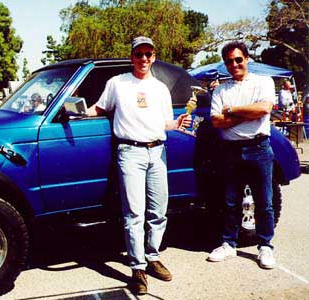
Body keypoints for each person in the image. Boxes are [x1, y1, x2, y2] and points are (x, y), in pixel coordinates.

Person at [87, 36, 191, 295]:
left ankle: (153, 257)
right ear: (131, 57)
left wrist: (176, 124)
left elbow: (165, 122)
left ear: (153, 57)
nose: (143, 59)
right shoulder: (117, 83)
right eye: (139, 54)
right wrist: (75, 111)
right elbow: (98, 109)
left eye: (148, 54)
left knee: (159, 211)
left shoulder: (160, 88)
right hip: (130, 152)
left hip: (157, 152)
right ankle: (138, 268)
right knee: (134, 214)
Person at [207, 41, 276, 269]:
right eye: (229, 61)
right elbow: (216, 121)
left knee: (264, 202)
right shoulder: (221, 90)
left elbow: (264, 109)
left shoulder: (263, 82)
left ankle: (265, 246)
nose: (234, 64)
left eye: (238, 59)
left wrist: (232, 110)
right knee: (230, 201)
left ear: (247, 59)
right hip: (231, 150)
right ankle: (229, 244)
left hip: (259, 148)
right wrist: (248, 112)